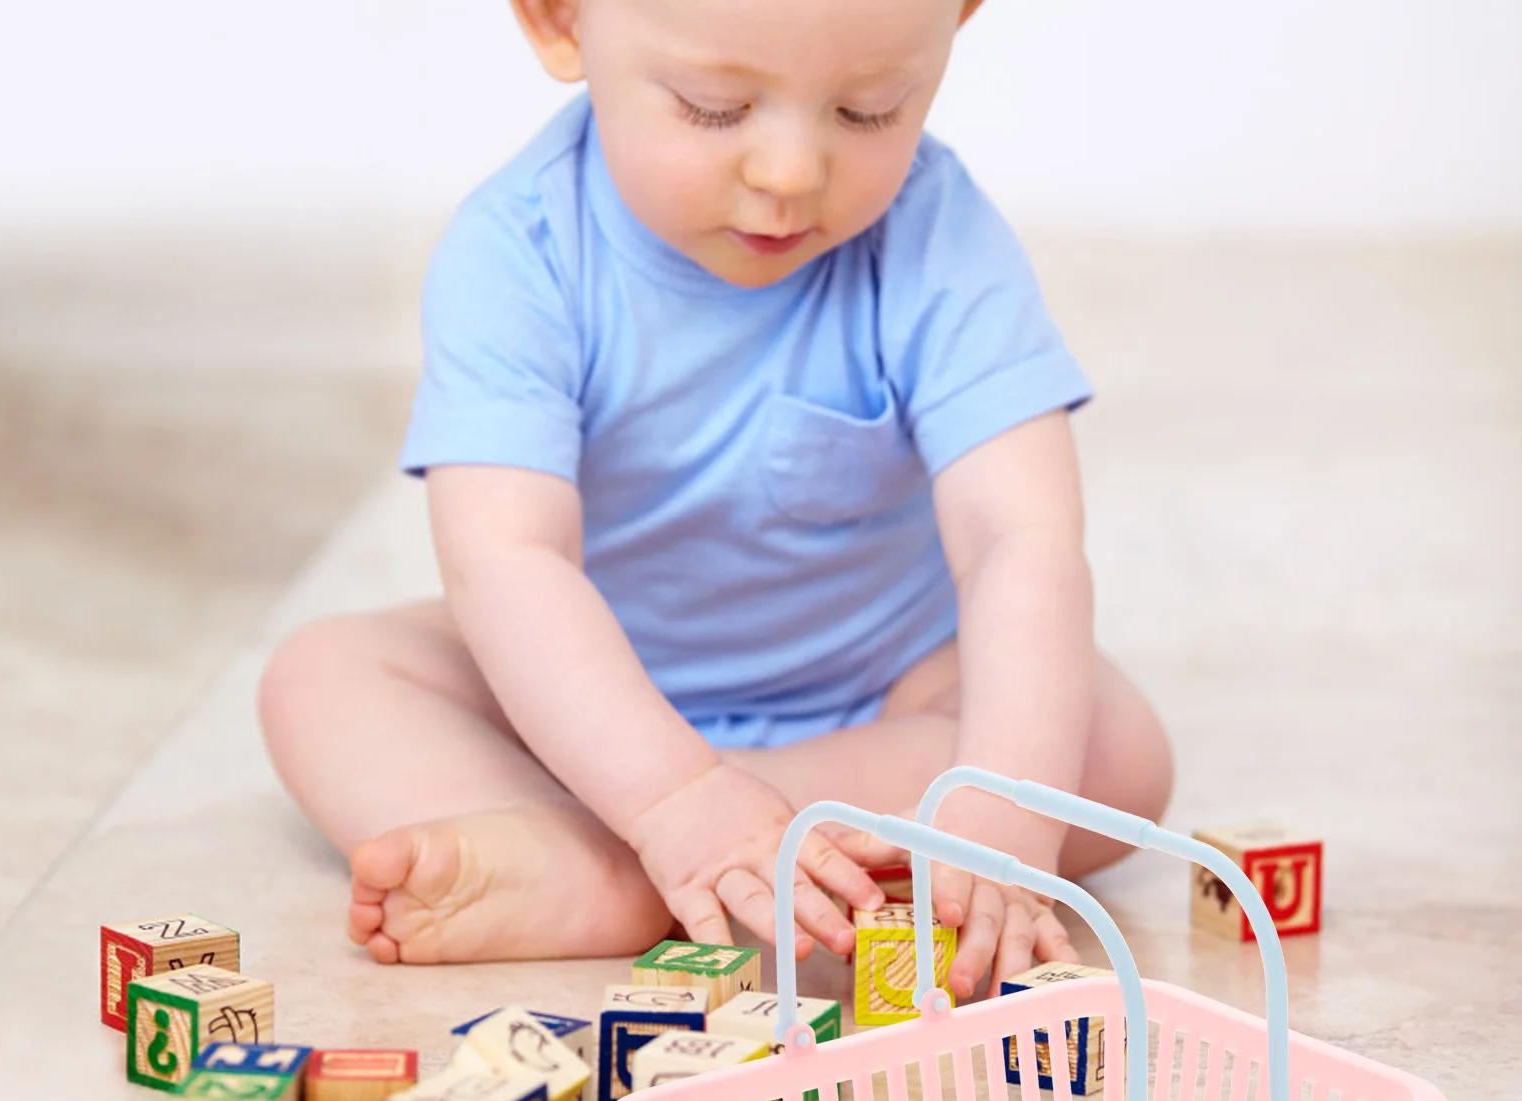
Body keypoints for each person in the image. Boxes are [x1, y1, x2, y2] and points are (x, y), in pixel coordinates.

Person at [258, 0, 1174, 998]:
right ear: (561, 22)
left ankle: (608, 870)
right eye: (714, 106)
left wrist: (1001, 818)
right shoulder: (515, 253)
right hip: (582, 703)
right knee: (324, 677)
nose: (790, 171)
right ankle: (658, 845)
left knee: (1113, 750)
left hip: (885, 686)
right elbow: (507, 562)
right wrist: (666, 793)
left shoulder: (938, 237)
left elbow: (1017, 539)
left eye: (867, 110)